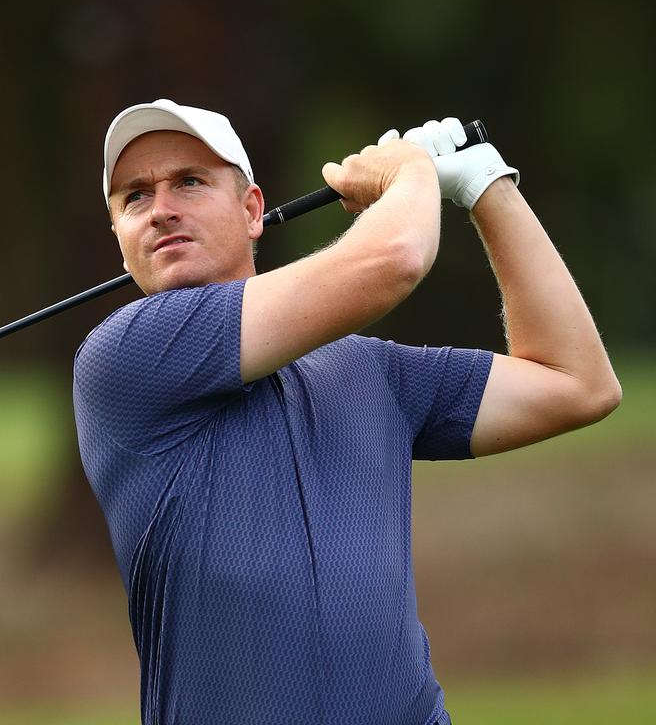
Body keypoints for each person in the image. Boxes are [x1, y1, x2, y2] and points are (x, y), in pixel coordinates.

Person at [71, 99, 620, 725]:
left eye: (189, 182)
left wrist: (487, 187)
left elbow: (578, 383)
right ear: (119, 239)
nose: (161, 208)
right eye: (134, 197)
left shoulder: (367, 369)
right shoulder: (125, 357)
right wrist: (410, 172)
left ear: (252, 211)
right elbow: (392, 262)